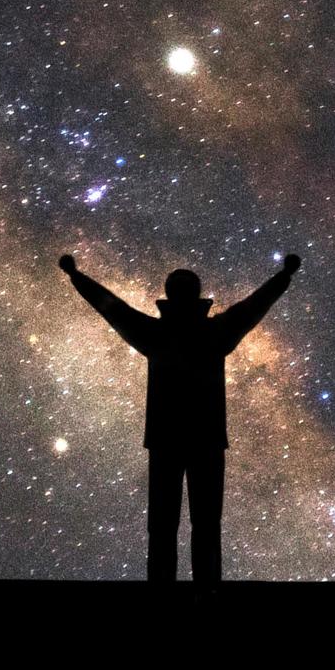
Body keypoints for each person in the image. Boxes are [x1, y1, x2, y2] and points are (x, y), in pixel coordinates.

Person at [59, 248, 300, 582]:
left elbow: (112, 309)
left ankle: (166, 591)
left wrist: (77, 277)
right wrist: (283, 277)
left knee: (168, 524)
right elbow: (253, 306)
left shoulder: (158, 335)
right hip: (203, 439)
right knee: (199, 523)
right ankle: (204, 590)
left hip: (168, 439)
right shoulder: (214, 333)